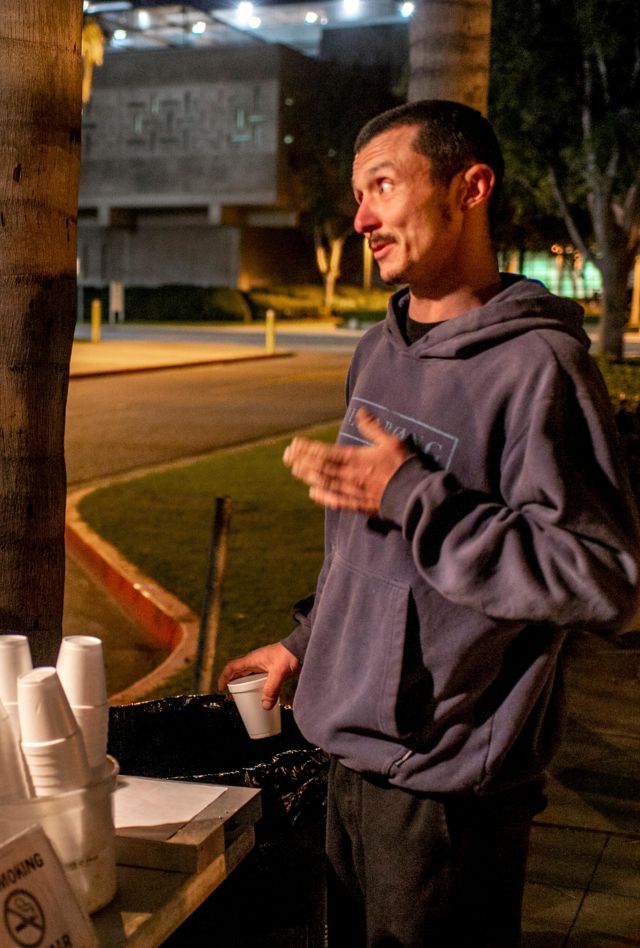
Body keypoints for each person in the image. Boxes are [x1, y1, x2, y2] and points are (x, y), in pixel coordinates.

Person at [218, 100, 640, 947]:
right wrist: (308, 643)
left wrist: (417, 495)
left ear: (471, 187)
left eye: (383, 185)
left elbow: (606, 581)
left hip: (448, 795)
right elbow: (366, 556)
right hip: (341, 758)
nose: (362, 216)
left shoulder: (538, 370)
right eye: (357, 192)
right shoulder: (379, 352)